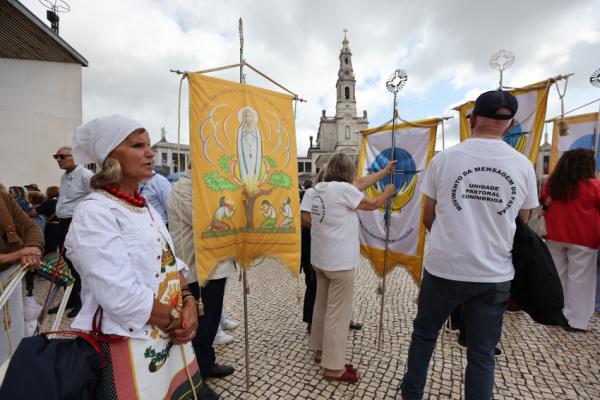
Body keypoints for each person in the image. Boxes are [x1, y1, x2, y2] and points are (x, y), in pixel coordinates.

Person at [65, 114, 218, 400]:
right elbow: (120, 296)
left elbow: (169, 260)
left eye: (148, 145)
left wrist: (187, 301)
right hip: (130, 341)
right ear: (111, 157)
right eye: (138, 145)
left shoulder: (144, 205)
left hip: (169, 336)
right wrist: (178, 319)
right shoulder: (95, 212)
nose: (150, 153)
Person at [400, 90, 538, 400]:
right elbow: (522, 221)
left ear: (472, 119)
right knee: (482, 352)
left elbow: (428, 215)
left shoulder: (443, 160)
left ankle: (412, 393)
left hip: (444, 268)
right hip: (494, 273)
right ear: (510, 124)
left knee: (424, 336)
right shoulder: (523, 166)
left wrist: (452, 237)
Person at [310, 152, 396, 383]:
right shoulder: (345, 191)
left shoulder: (319, 189)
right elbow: (372, 204)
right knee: (338, 314)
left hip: (320, 260)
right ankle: (333, 368)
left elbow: (359, 184)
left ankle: (319, 351)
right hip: (339, 263)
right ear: (348, 171)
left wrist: (384, 172)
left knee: (321, 306)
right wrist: (387, 192)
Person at [167, 165, 236, 382]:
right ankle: (195, 374)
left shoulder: (207, 187)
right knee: (200, 324)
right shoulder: (183, 188)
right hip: (197, 268)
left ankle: (206, 363)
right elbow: (206, 223)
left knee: (212, 319)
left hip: (216, 267)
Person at [541, 148, 600, 332]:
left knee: (557, 277)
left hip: (554, 235)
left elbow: (542, 200)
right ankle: (576, 321)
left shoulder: (551, 183)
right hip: (584, 239)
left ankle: (557, 315)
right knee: (581, 281)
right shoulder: (594, 185)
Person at [0, 188, 43, 364]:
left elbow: (31, 226)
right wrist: (17, 254)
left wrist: (33, 247)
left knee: (13, 333)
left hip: (9, 274)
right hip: (9, 265)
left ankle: (10, 373)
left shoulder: (3, 197)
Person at [51, 145, 93, 318]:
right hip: (63, 223)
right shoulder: (64, 176)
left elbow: (96, 199)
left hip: (76, 224)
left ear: (75, 156)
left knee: (79, 264)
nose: (58, 160)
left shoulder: (86, 175)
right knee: (68, 265)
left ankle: (84, 302)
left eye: (62, 156)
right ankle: (72, 298)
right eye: (56, 156)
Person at [300, 178, 316, 333]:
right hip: (310, 245)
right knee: (313, 283)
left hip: (327, 247)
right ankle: (311, 320)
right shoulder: (311, 193)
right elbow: (304, 219)